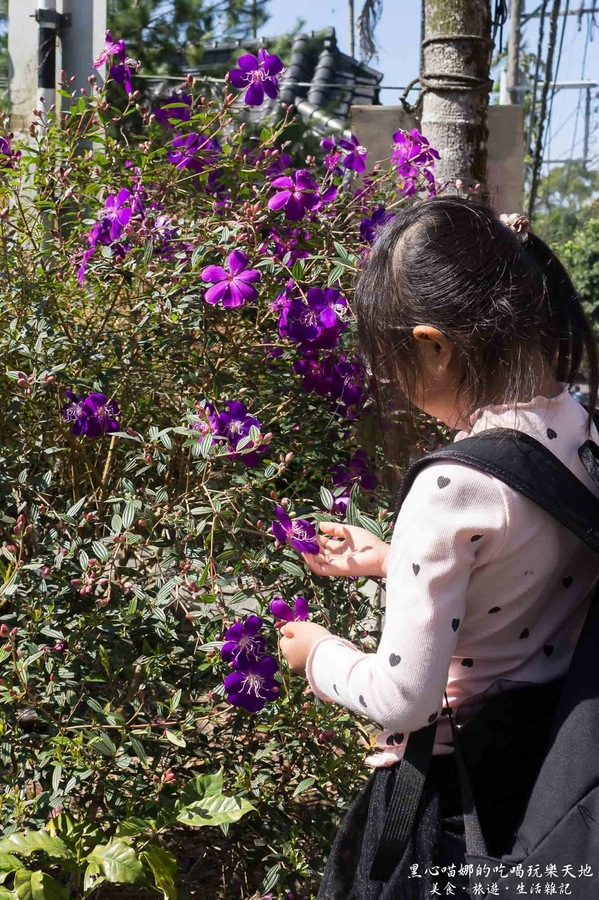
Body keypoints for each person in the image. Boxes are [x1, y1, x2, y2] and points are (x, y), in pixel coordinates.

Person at [277, 196, 599, 899]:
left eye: (390, 362)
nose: (391, 381)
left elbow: (403, 700)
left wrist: (314, 654)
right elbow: (535, 567)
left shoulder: (453, 484)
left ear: (432, 345)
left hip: (462, 803)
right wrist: (392, 559)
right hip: (554, 765)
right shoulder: (580, 423)